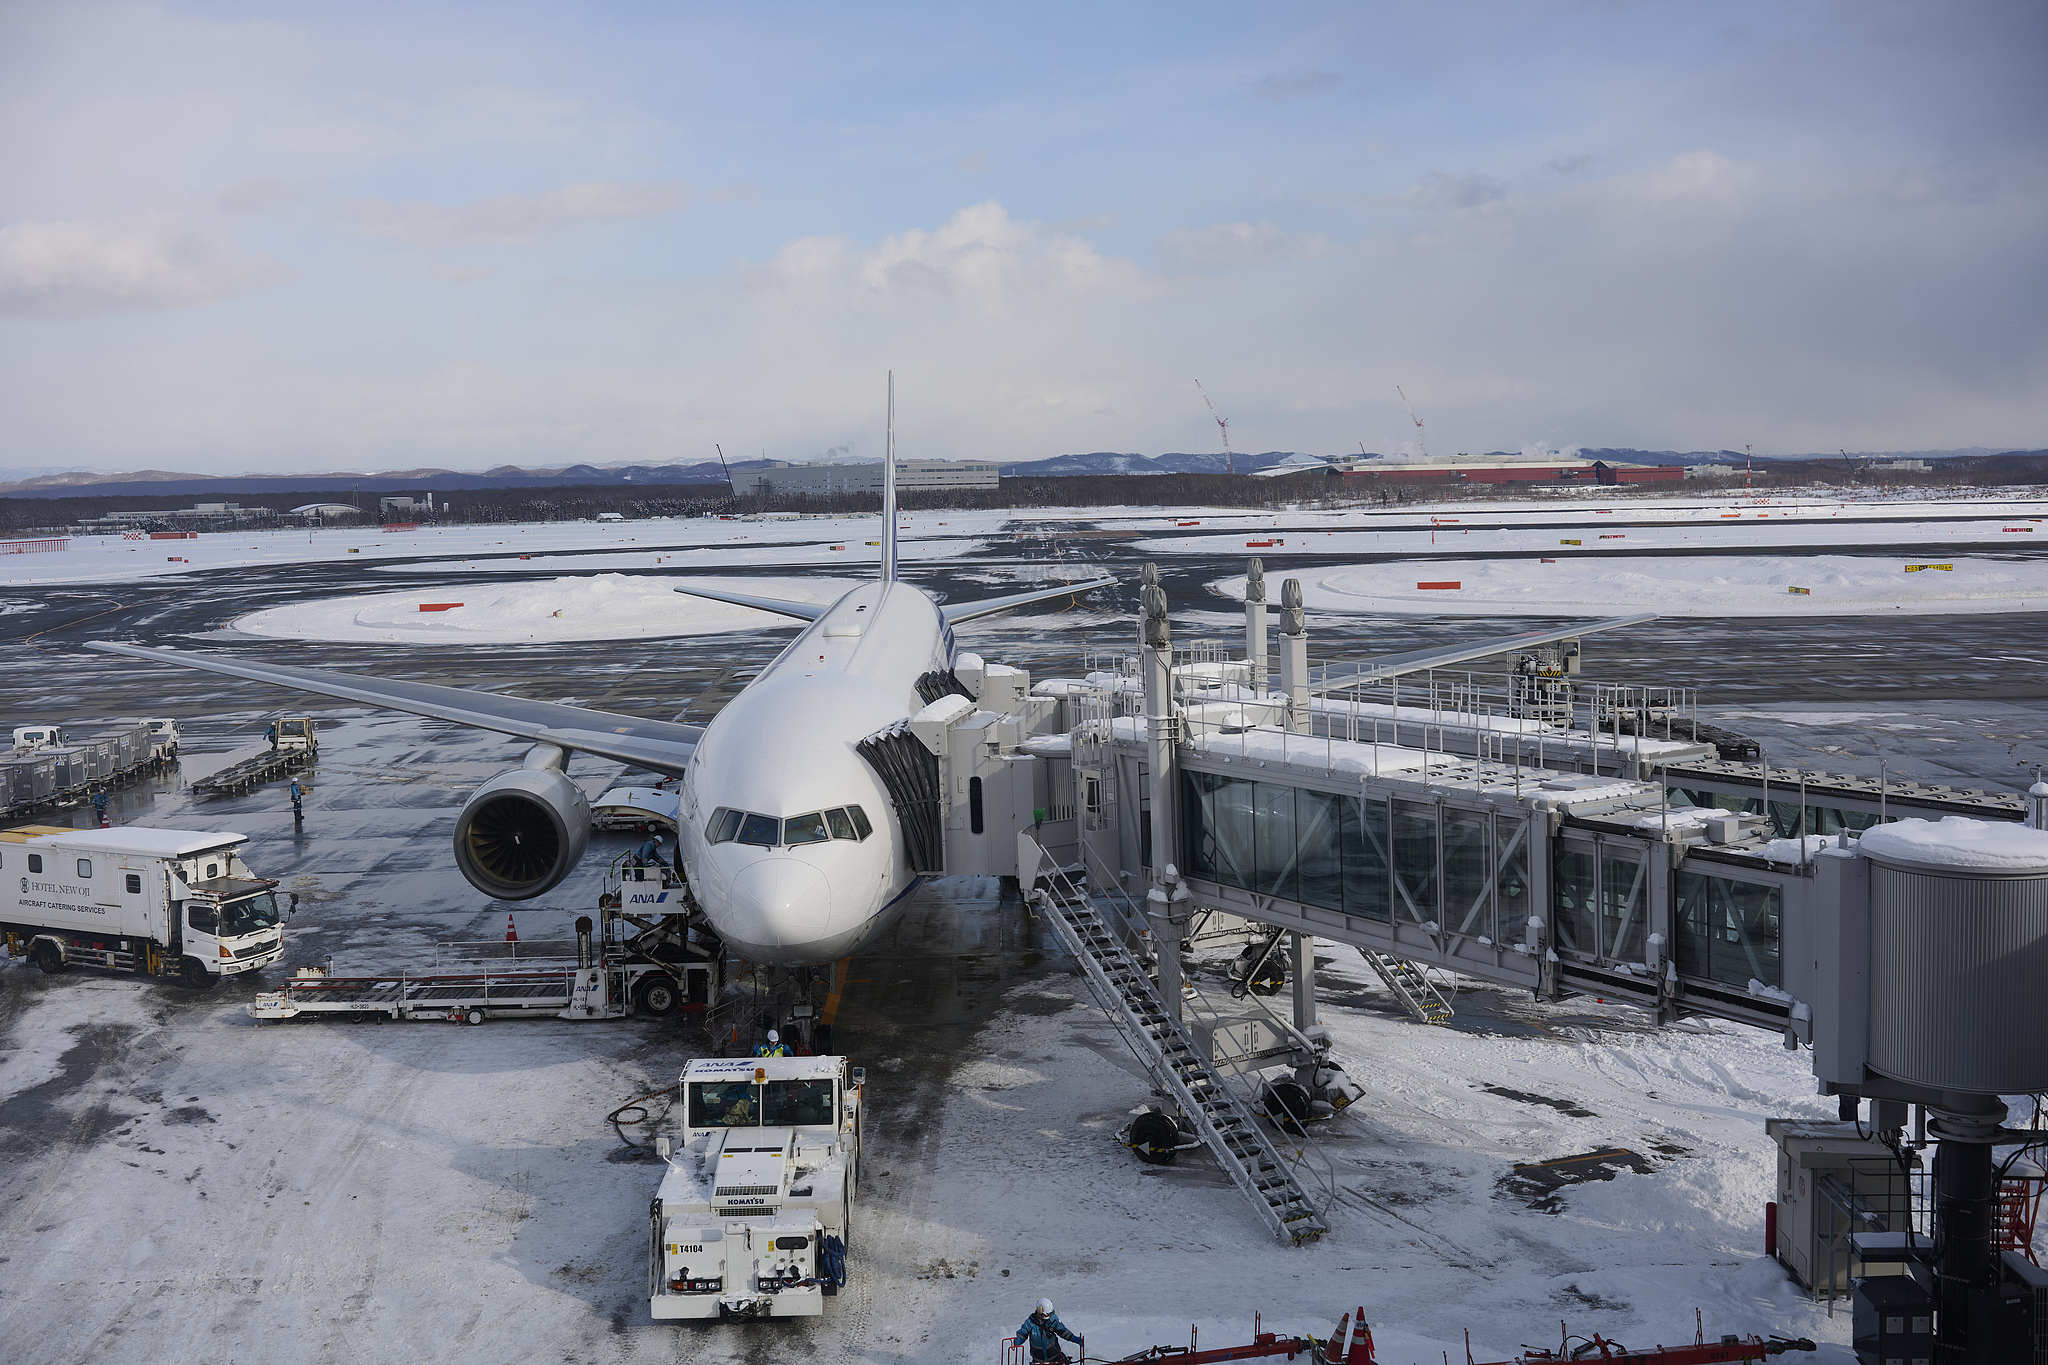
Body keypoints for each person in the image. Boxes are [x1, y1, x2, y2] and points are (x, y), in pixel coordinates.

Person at [1013, 1299, 1083, 1364]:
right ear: (1039, 1311)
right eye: (1045, 1315)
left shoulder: (1053, 1319)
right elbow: (1023, 1333)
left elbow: (1062, 1331)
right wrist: (1019, 1340)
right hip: (1038, 1358)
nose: (1048, 1317)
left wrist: (1073, 1338)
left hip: (1054, 1355)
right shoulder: (1030, 1322)